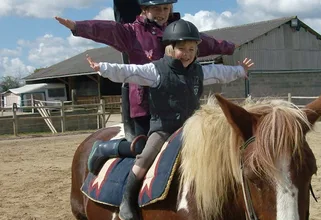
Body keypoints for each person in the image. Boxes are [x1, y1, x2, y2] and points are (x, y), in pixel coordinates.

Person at [86, 19, 254, 220]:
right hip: (163, 129)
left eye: (192, 48)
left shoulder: (198, 71)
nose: (188, 53)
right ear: (170, 48)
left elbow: (219, 74)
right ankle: (127, 200)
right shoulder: (156, 71)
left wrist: (239, 71)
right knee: (145, 158)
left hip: (193, 128)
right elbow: (130, 71)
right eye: (182, 48)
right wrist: (103, 68)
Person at [55, 0, 237, 150]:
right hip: (145, 105)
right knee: (143, 148)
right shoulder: (131, 33)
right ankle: (105, 150)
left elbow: (205, 42)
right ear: (144, 9)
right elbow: (107, 30)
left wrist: (229, 47)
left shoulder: (177, 32)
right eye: (157, 8)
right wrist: (77, 27)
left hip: (174, 103)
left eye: (166, 8)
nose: (162, 13)